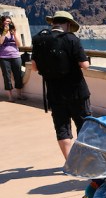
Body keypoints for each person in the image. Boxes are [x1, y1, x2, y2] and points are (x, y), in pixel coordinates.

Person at [32, 11, 91, 159]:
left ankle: (69, 161)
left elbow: (34, 67)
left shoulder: (40, 40)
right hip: (77, 92)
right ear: (68, 24)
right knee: (84, 125)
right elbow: (84, 65)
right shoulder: (71, 39)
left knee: (62, 127)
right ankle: (86, 159)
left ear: (53, 23)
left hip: (54, 92)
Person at [0, 16, 25, 102]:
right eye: (7, 21)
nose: (9, 23)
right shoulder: (1, 31)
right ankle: (10, 96)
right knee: (7, 76)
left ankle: (19, 94)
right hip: (4, 57)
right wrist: (4, 32)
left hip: (16, 56)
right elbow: (0, 42)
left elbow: (19, 44)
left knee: (18, 75)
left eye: (10, 21)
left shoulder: (13, 31)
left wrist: (14, 34)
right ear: (2, 22)